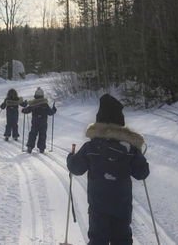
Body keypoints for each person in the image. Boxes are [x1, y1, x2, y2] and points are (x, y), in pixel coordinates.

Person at [67, 94, 149, 245]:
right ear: (120, 122)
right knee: (122, 239)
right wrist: (140, 157)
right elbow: (141, 173)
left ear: (99, 122)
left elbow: (76, 168)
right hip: (122, 205)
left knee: (98, 239)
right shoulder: (129, 148)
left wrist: (70, 158)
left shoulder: (91, 147)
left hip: (98, 206)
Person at [21, 87, 57, 153]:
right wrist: (54, 109)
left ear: (35, 95)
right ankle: (41, 149)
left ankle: (30, 147)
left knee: (33, 134)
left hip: (35, 121)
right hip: (43, 122)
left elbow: (27, 110)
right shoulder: (45, 104)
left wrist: (24, 110)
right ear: (42, 95)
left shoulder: (33, 103)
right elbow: (50, 113)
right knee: (42, 134)